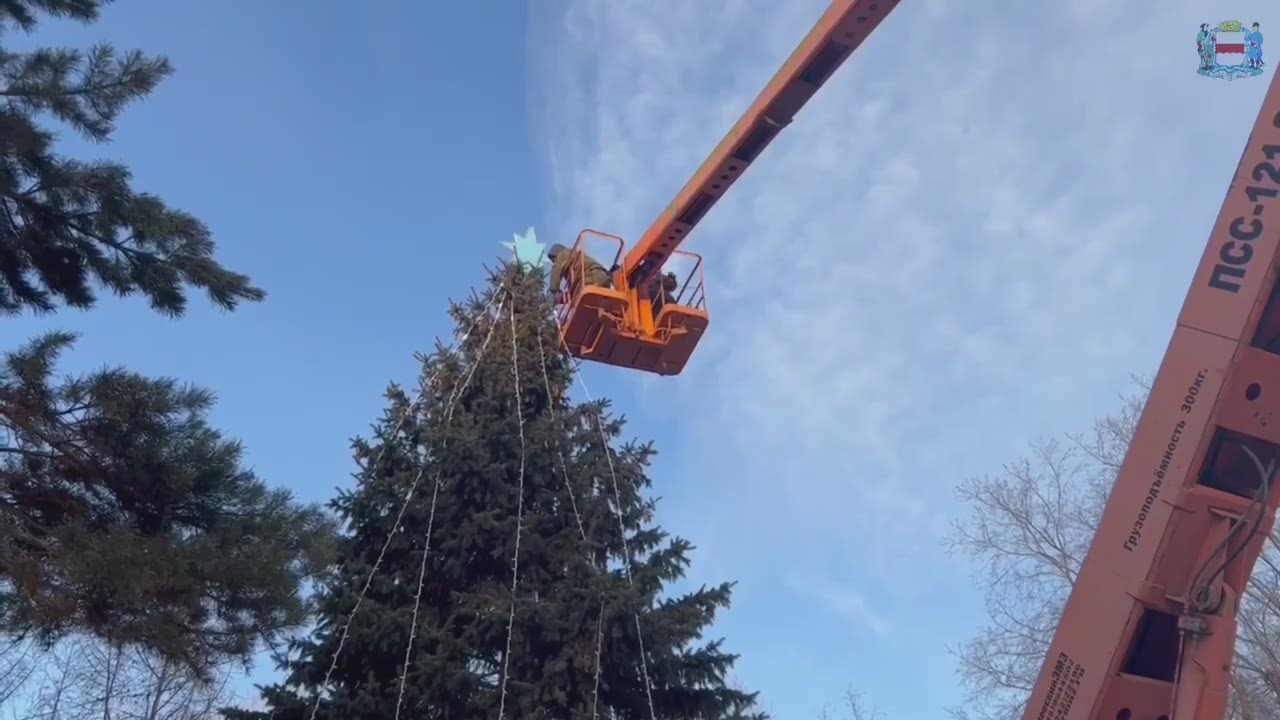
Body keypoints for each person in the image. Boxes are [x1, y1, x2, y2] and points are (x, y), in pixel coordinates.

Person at [547, 243, 611, 302]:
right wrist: (562, 298)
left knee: (579, 299)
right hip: (603, 277)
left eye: (553, 259)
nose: (554, 262)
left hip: (590, 277)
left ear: (556, 253)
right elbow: (573, 290)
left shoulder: (563, 254)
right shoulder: (575, 262)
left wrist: (553, 291)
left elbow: (556, 269)